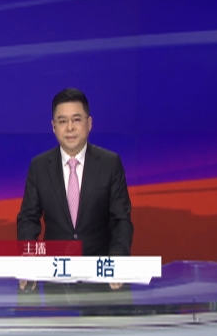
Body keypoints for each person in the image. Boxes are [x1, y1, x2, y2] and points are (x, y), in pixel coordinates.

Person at [16, 88, 133, 298]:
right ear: (53, 127)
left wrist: (118, 260)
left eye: (76, 120)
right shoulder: (39, 166)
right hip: (56, 279)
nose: (69, 128)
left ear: (89, 123)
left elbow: (121, 220)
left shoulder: (110, 163)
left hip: (102, 279)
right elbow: (28, 219)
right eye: (62, 121)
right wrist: (28, 260)